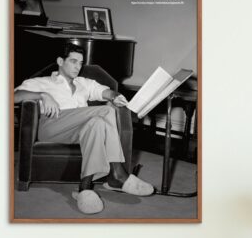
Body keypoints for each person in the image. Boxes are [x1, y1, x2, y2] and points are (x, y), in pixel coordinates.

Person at [14, 43, 154, 214]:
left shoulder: (84, 83)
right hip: (51, 127)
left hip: (77, 132)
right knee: (105, 110)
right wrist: (42, 95)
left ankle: (84, 188)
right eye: (73, 61)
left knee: (98, 123)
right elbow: (14, 96)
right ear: (60, 61)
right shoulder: (42, 82)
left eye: (80, 63)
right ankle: (117, 174)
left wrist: (116, 97)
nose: (77, 67)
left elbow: (106, 92)